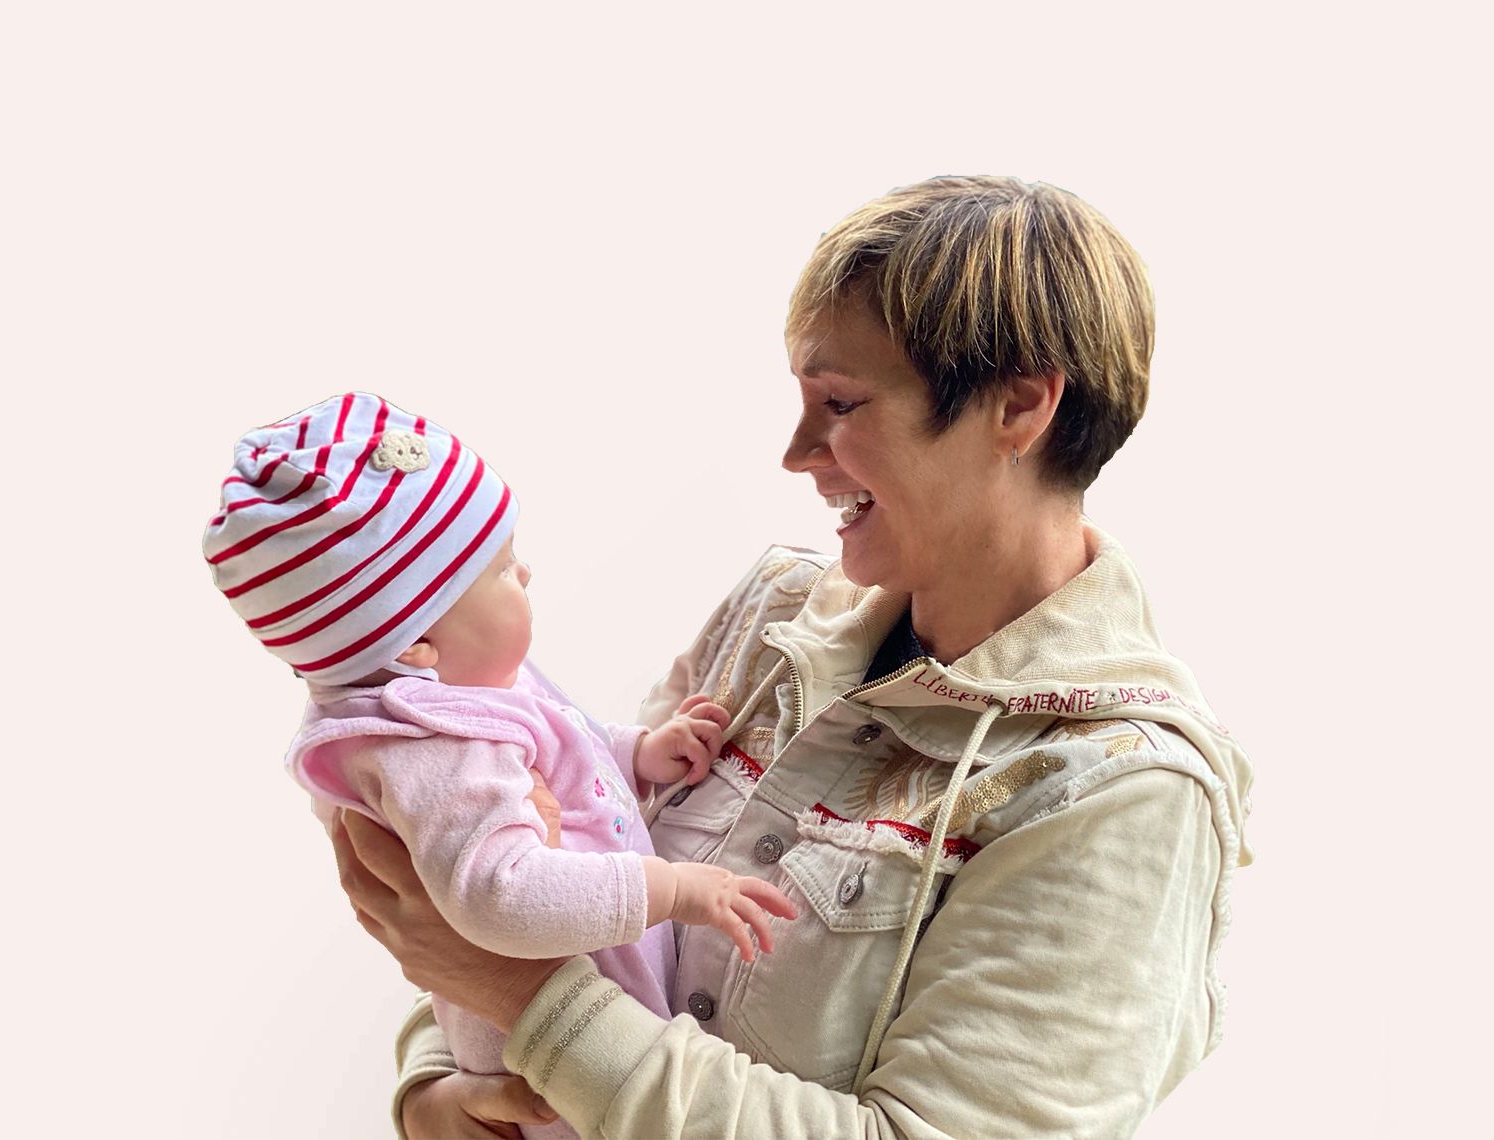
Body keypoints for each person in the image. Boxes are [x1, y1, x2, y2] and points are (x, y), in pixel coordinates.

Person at [335, 175, 1255, 1139]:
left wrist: (526, 1003)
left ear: (1019, 408)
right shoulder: (769, 618)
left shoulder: (1120, 792)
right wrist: (441, 1095)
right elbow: (554, 858)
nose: (798, 450)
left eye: (840, 402)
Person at [204, 393, 798, 1139]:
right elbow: (501, 893)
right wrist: (673, 889)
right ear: (415, 643)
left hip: (590, 1023)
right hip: (560, 1075)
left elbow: (560, 750)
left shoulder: (456, 688)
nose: (527, 574)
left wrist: (636, 754)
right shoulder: (434, 751)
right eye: (501, 570)